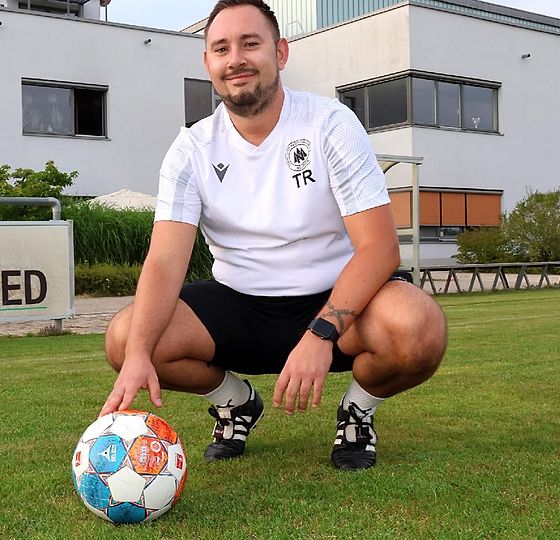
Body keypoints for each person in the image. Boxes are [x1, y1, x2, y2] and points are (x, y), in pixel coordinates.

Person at [100, 0, 447, 471]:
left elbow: (380, 248)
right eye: (221, 48)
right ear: (208, 64)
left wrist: (321, 334)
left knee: (418, 327)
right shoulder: (192, 149)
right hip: (239, 305)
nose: (236, 59)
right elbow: (165, 260)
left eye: (250, 43)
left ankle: (358, 412)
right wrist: (139, 355)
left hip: (334, 303)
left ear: (280, 53)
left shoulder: (329, 124)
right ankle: (237, 403)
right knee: (125, 338)